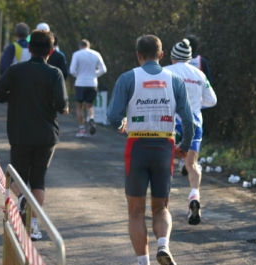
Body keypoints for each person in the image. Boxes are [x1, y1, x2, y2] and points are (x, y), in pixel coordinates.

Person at [107, 35, 194, 265]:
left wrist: (121, 125)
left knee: (135, 210)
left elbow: (112, 116)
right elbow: (189, 121)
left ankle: (143, 261)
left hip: (136, 145)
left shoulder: (127, 78)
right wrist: (184, 146)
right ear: (162, 55)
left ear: (138, 55)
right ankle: (163, 245)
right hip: (165, 145)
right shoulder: (175, 80)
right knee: (161, 207)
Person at [0, 30, 69, 240]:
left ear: (29, 48)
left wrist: (15, 97)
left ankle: (20, 208)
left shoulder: (16, 71)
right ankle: (33, 227)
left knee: (17, 177)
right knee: (38, 180)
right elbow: (61, 103)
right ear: (51, 51)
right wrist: (63, 109)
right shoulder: (55, 73)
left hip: (19, 132)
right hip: (46, 135)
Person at [165, 39, 217, 225]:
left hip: (171, 123)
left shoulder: (165, 72)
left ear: (172, 57)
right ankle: (194, 196)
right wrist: (195, 104)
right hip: (194, 122)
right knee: (192, 164)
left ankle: (163, 209)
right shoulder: (199, 74)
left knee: (166, 164)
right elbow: (212, 101)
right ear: (189, 58)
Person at [70, 39, 107, 137]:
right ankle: (91, 119)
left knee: (79, 106)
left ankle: (81, 130)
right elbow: (103, 69)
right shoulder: (96, 54)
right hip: (92, 83)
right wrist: (94, 75)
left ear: (80, 46)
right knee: (89, 106)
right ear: (89, 46)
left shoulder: (77, 54)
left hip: (80, 83)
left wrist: (79, 75)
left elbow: (72, 70)